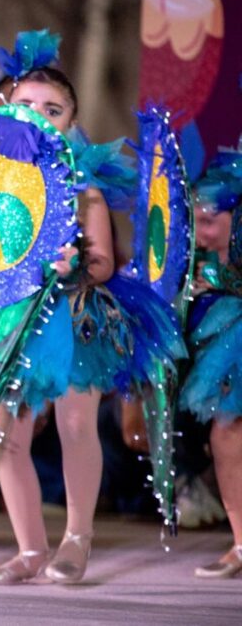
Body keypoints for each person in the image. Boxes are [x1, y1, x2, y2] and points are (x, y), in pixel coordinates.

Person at [0, 30, 184, 585]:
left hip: (70, 318)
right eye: (25, 103)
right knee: (3, 437)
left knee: (75, 424)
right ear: (3, 109)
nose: (36, 115)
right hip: (8, 320)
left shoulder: (81, 186)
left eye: (52, 109)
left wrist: (74, 264)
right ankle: (30, 548)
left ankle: (77, 537)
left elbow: (102, 261)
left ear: (71, 124)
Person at [180, 143, 242, 578]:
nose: (200, 232)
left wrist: (223, 280)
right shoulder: (199, 264)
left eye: (209, 221)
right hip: (227, 347)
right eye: (196, 221)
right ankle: (240, 542)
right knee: (225, 436)